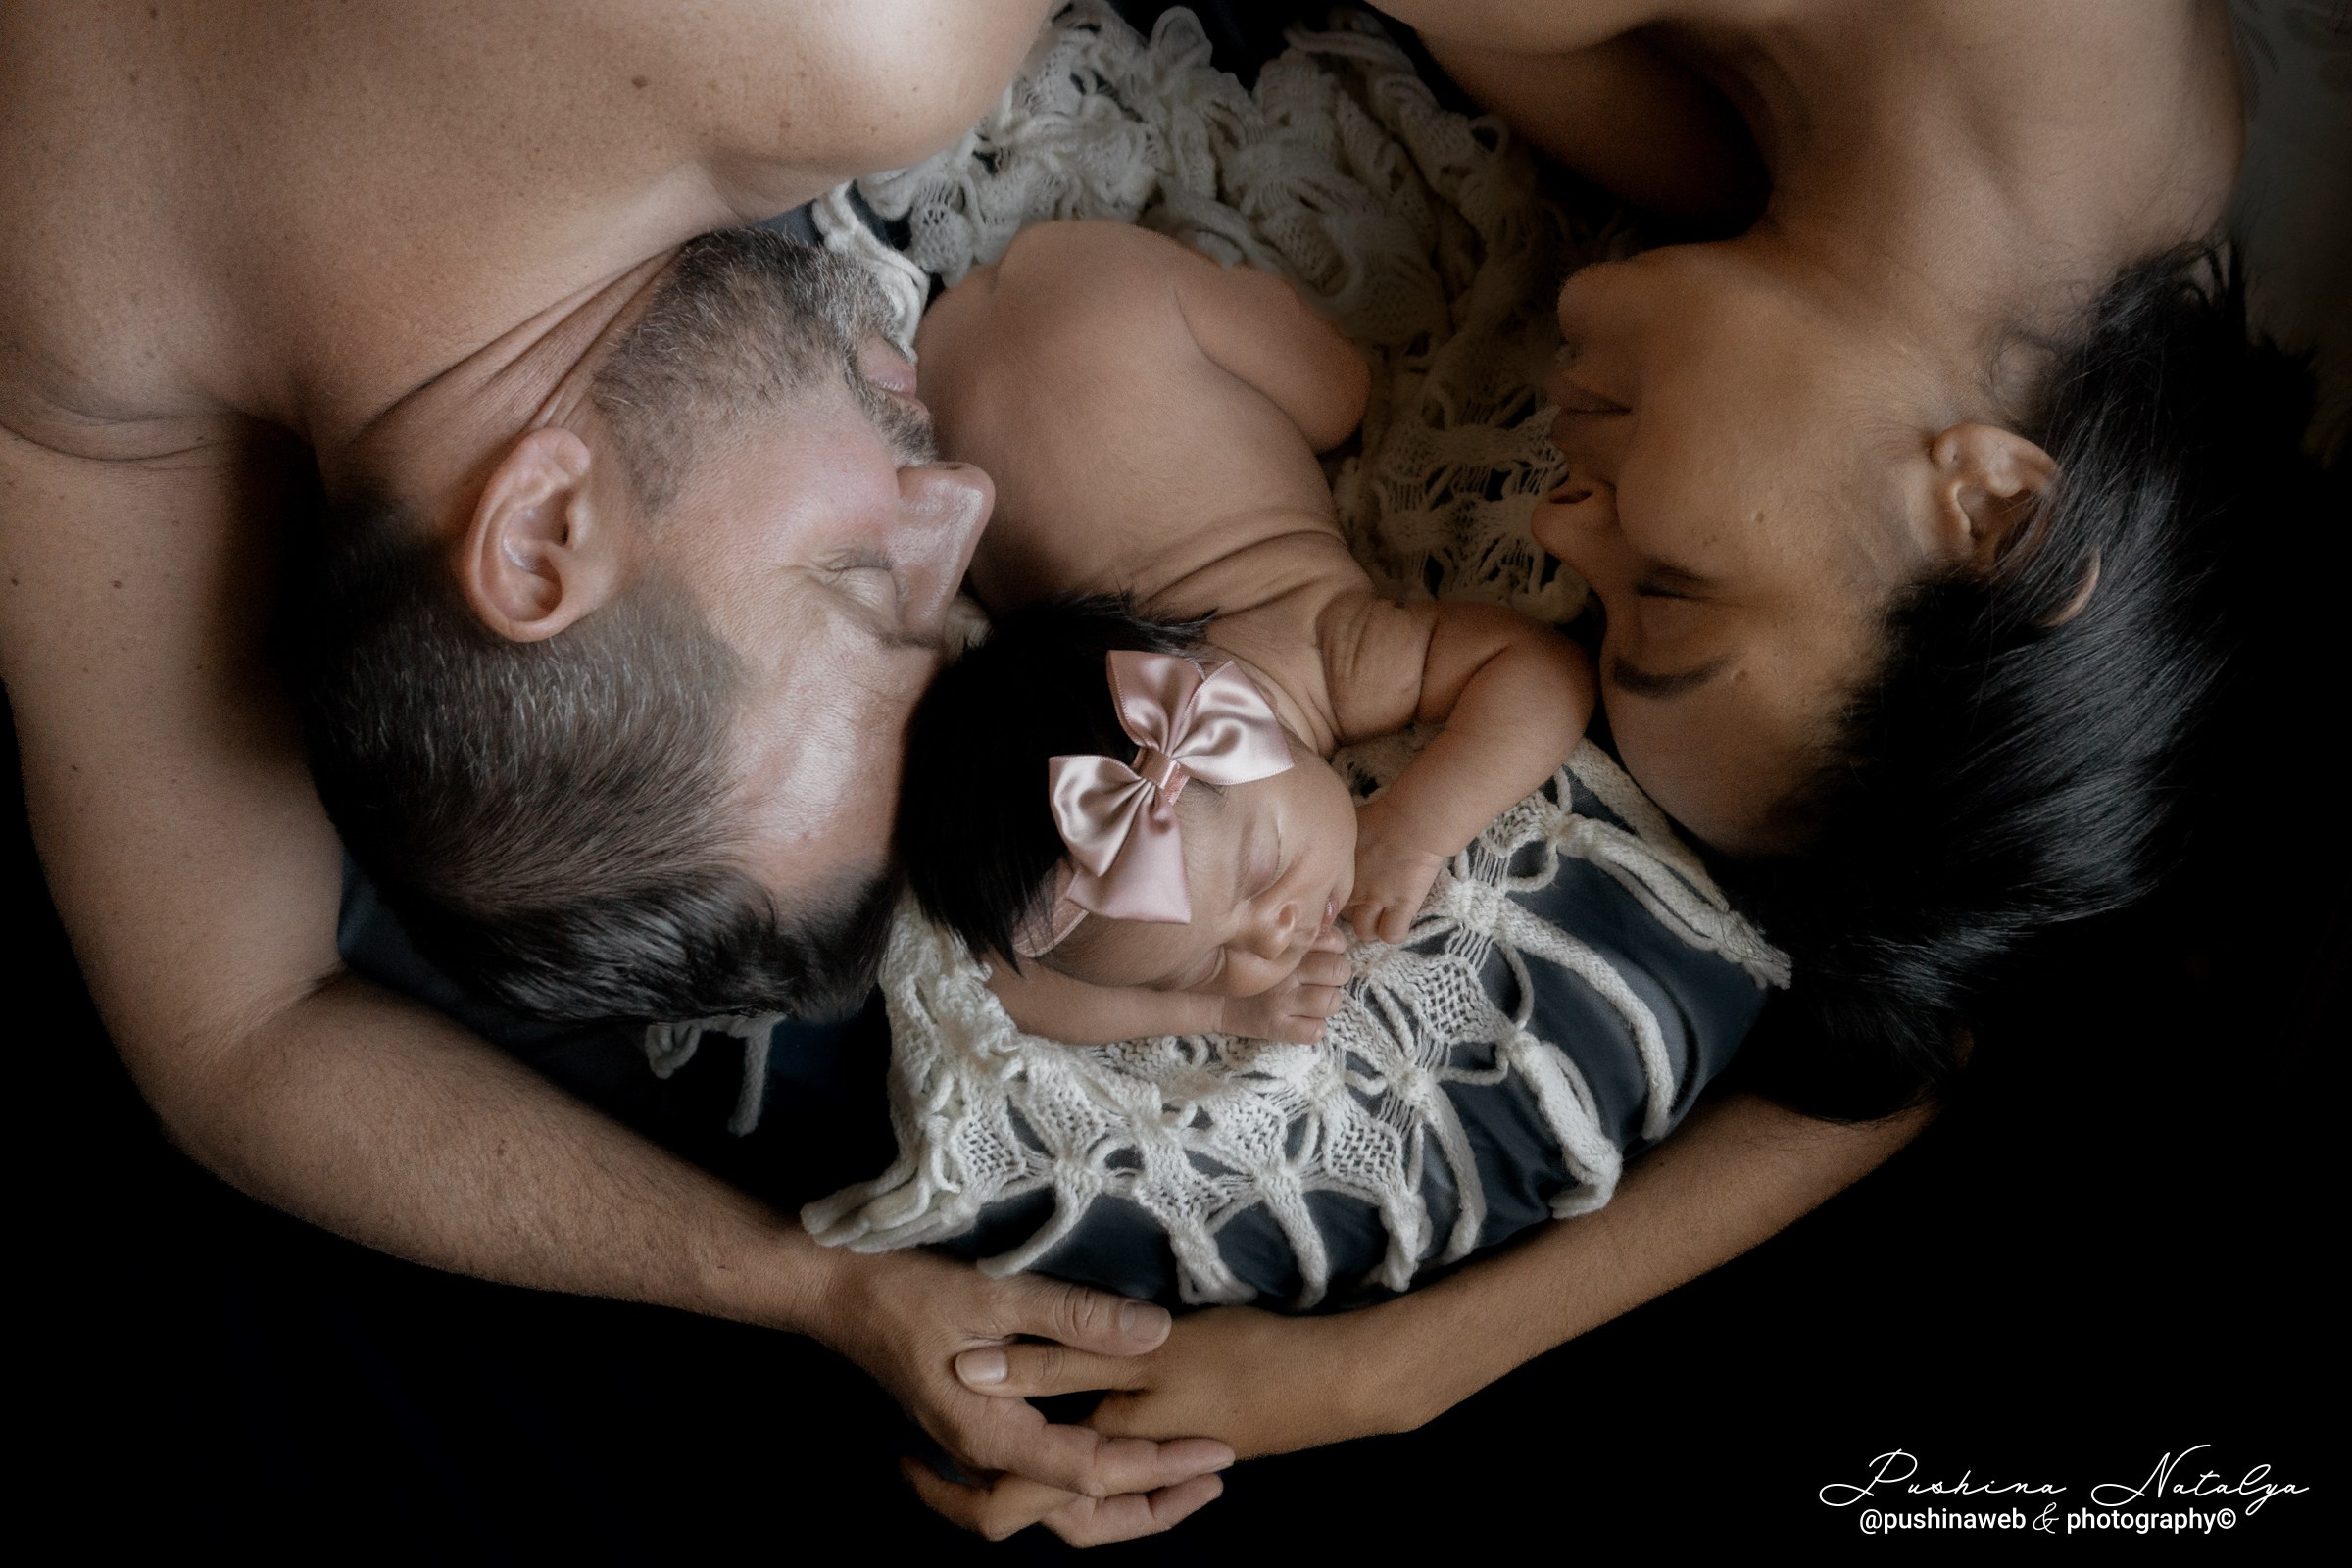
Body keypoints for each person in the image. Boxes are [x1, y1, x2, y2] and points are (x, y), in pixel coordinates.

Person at [890, 0, 2306, 1540]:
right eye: (1676, 594)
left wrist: (1395, 1372)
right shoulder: (2075, 79)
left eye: (1612, 612)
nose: (1561, 528)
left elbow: (1916, 1057)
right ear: (1993, 510)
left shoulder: (1831, 207)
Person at [897, 221, 1590, 1044]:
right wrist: (1209, 1008)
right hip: (954, 366)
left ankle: (1204, 273)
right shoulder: (1094, 848)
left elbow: (1548, 674)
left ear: (1231, 717)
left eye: (1260, 876)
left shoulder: (1333, 652)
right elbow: (1016, 989)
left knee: (1344, 394)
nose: (1273, 938)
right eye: (1205, 961)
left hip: (1113, 293)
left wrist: (1414, 827)